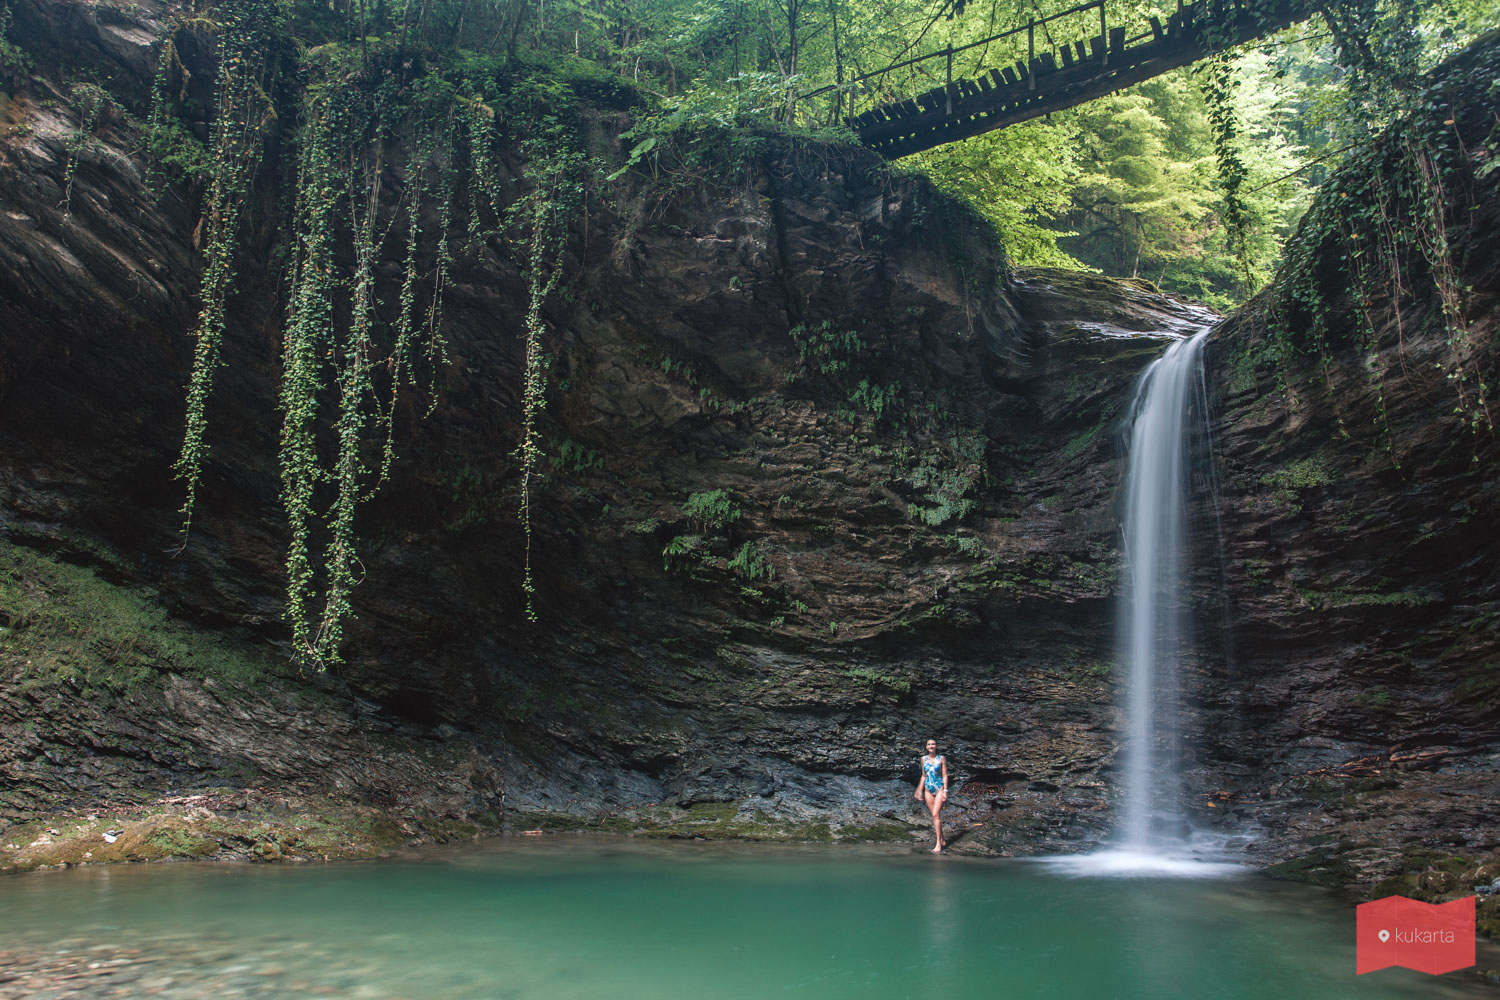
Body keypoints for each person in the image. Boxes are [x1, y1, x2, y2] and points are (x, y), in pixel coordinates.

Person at [913, 738, 948, 852]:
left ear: (936, 746)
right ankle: (942, 839)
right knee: (934, 816)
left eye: (933, 744)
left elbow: (944, 775)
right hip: (928, 789)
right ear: (926, 747)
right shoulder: (923, 759)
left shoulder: (941, 758)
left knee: (935, 814)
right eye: (929, 744)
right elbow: (923, 776)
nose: (931, 746)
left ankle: (938, 843)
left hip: (939, 789)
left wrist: (945, 791)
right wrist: (919, 790)